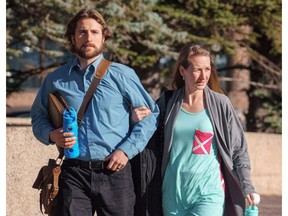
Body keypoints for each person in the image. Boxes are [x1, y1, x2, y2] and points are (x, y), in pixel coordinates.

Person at [31, 7, 159, 216]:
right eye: (82, 32)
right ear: (73, 38)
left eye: (94, 32)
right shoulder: (56, 79)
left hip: (115, 172)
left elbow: (152, 116)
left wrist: (126, 150)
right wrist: (51, 134)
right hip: (73, 173)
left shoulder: (122, 75)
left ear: (103, 37)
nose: (88, 37)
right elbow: (37, 116)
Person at [132, 43, 260, 216]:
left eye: (207, 69)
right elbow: (146, 138)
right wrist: (134, 120)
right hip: (172, 194)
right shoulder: (167, 102)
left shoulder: (221, 104)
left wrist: (247, 186)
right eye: (197, 69)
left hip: (208, 192)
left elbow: (238, 150)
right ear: (182, 71)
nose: (203, 76)